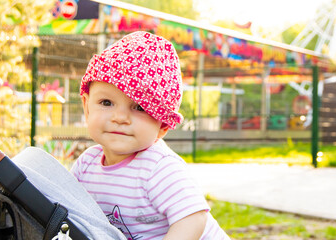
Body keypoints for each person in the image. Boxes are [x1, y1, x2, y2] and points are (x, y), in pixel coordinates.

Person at [71, 31, 230, 240]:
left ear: (163, 125)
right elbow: (65, 206)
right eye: (106, 103)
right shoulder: (86, 166)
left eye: (139, 107)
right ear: (87, 106)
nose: (120, 117)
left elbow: (193, 218)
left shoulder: (159, 167)